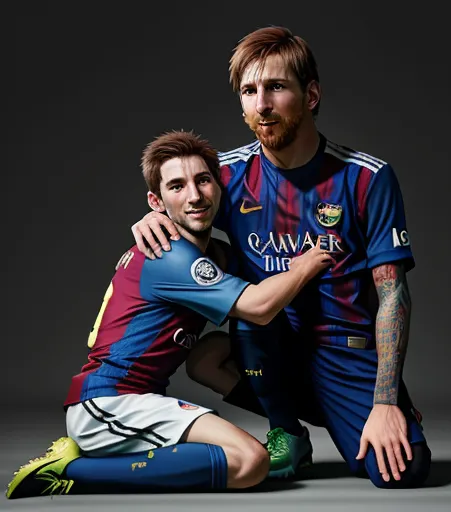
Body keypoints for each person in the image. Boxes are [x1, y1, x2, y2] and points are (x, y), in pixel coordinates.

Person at [130, 26, 432, 489]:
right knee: (238, 331)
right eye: (249, 91)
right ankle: (286, 430)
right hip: (269, 339)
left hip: (342, 349)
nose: (261, 105)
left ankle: (349, 409)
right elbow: (182, 203)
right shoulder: (226, 175)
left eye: (275, 87)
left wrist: (386, 401)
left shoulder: (367, 178)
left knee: (403, 472)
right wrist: (150, 222)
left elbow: (393, 295)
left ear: (310, 95)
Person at [6, 130, 335, 500]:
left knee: (209, 356)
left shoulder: (211, 254)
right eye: (176, 186)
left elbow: (243, 277)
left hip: (137, 401)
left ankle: (287, 426)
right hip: (107, 403)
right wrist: (305, 266)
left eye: (203, 180)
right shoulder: (170, 256)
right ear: (156, 201)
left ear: (218, 186)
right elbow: (258, 307)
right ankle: (70, 471)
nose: (194, 196)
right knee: (249, 462)